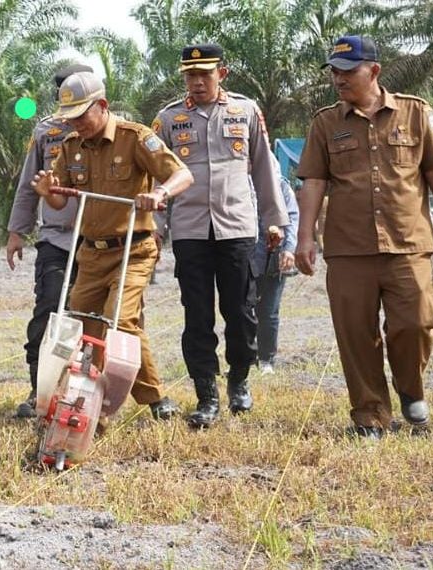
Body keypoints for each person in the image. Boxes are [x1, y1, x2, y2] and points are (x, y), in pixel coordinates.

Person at [296, 35, 433, 438]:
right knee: (355, 333)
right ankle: (370, 415)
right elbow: (314, 182)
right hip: (347, 248)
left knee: (416, 324)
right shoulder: (325, 123)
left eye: (347, 72)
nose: (339, 80)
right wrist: (304, 237)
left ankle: (410, 389)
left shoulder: (416, 113)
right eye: (334, 73)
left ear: (373, 71)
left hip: (408, 243)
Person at [31, 71, 193, 423]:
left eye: (81, 116)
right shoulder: (71, 146)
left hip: (133, 250)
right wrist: (48, 193)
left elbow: (182, 175)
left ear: (102, 106)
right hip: (90, 253)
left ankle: (113, 404)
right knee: (85, 325)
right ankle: (117, 398)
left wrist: (159, 193)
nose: (76, 124)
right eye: (69, 118)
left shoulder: (135, 138)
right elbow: (59, 202)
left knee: (120, 320)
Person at [152, 43, 287, 428]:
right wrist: (157, 230)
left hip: (237, 227)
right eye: (189, 76)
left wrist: (274, 220)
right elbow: (157, 177)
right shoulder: (168, 119)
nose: (196, 82)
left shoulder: (244, 111)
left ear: (221, 74)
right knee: (197, 315)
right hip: (191, 231)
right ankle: (206, 395)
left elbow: (264, 168)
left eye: (204, 75)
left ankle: (239, 381)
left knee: (241, 312)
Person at [7, 63, 89, 418]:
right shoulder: (46, 132)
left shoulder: (115, 127)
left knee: (96, 317)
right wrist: (16, 231)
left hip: (102, 237)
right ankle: (38, 390)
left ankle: (88, 392)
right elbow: (29, 184)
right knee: (50, 311)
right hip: (56, 238)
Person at [251, 172, 298, 375]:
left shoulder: (281, 184)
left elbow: (293, 218)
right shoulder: (237, 181)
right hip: (243, 256)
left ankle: (266, 359)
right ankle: (245, 358)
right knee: (242, 310)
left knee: (268, 311)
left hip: (273, 257)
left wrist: (289, 248)